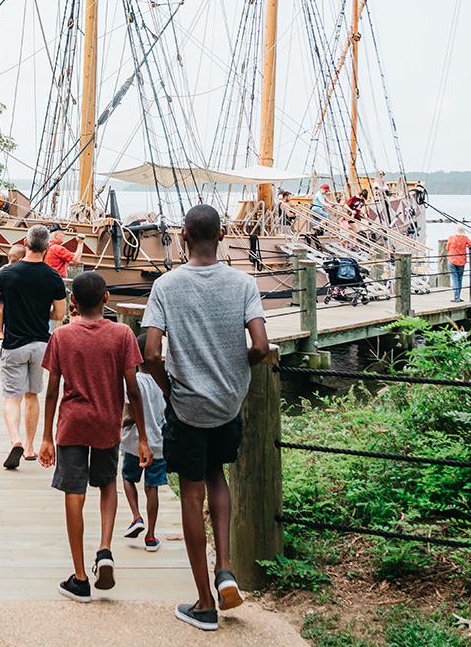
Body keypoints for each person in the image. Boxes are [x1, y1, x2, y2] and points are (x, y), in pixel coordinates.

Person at [144, 204, 269, 632]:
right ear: (221, 236)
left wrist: (168, 388)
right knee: (218, 477)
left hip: (188, 406)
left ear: (182, 236)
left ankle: (203, 603)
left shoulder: (166, 285)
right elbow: (260, 344)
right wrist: (238, 372)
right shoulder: (244, 282)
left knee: (191, 494)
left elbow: (151, 353)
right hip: (227, 404)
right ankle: (227, 569)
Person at [38, 271, 150, 602]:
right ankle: (104, 549)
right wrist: (143, 437)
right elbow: (134, 389)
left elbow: (51, 392)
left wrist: (45, 437)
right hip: (107, 423)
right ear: (106, 299)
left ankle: (80, 576)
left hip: (72, 424)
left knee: (74, 493)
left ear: (72, 300)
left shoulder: (61, 336)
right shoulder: (123, 334)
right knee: (107, 484)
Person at [0, 224, 68, 469]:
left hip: (13, 344)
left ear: (26, 242)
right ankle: (30, 449)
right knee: (33, 396)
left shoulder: (8, 273)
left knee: (13, 397)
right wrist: (44, 309)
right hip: (40, 344)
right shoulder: (54, 277)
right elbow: (59, 315)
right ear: (46, 247)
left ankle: (15, 440)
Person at [121, 331, 168, 553]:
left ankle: (135, 516)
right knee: (152, 489)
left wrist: (120, 424)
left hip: (133, 442)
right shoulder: (164, 382)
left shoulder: (133, 382)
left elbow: (133, 415)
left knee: (128, 478)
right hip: (157, 444)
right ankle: (151, 535)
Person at [446, 226, 471, 301]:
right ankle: (458, 296)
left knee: (454, 278)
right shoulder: (465, 238)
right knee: (459, 279)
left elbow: (447, 248)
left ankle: (456, 297)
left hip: (452, 260)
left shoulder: (451, 238)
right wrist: (466, 245)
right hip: (461, 261)